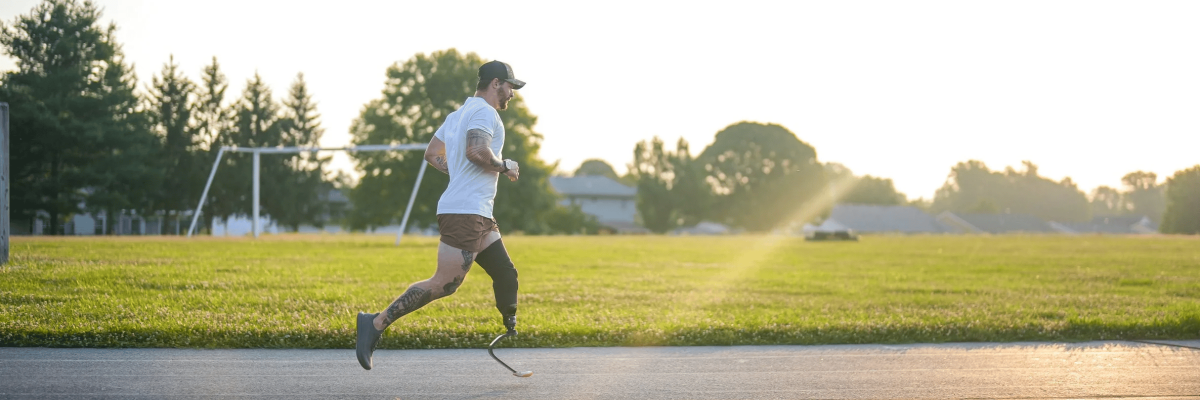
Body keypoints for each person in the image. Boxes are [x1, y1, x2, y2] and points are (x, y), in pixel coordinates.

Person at [356, 61, 526, 370]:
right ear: (495, 83)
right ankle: (375, 323)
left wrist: (458, 172)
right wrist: (505, 166)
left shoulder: (457, 115)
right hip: (465, 212)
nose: (512, 93)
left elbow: (432, 153)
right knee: (445, 283)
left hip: (477, 212)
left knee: (505, 273)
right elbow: (477, 152)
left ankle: (510, 324)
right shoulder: (486, 113)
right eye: (510, 87)